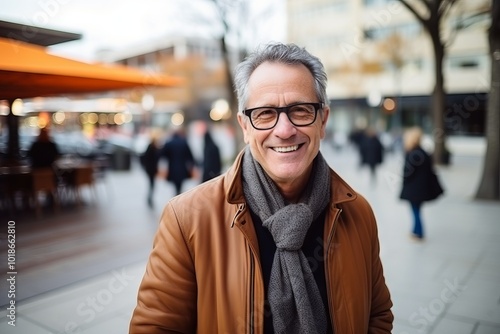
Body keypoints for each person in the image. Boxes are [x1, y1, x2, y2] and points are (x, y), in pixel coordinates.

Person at [130, 43, 393, 333]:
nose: (284, 130)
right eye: (265, 113)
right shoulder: (187, 219)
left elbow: (377, 315)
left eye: (301, 110)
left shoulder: (358, 214)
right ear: (245, 126)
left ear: (323, 121)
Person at [399, 127, 444, 241]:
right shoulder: (424, 152)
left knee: (415, 211)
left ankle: (419, 233)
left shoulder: (413, 153)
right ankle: (415, 231)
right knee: (417, 210)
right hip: (422, 189)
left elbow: (407, 172)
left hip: (414, 189)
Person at [158, 128, 195, 195]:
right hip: (182, 168)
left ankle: (177, 196)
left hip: (172, 168)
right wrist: (192, 166)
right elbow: (190, 156)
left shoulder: (169, 143)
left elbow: (162, 155)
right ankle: (178, 195)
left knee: (176, 185)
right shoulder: (183, 142)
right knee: (180, 185)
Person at [140, 133, 160, 208]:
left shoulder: (152, 147)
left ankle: (149, 198)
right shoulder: (152, 148)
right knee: (152, 184)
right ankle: (149, 198)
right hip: (151, 169)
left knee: (152, 184)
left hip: (150, 169)